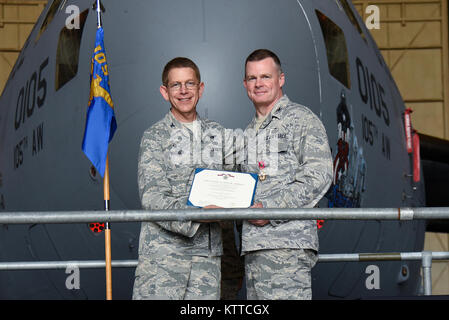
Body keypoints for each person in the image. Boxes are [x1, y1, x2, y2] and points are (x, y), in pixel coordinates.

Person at [132, 57, 230, 300]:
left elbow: (235, 184)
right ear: (165, 92)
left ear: (201, 88)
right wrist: (198, 214)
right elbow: (152, 197)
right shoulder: (154, 137)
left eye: (190, 83)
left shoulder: (219, 135)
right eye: (176, 85)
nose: (184, 91)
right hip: (163, 261)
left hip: (206, 264)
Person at [240, 49, 333, 300]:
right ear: (245, 84)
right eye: (252, 78)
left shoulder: (301, 120)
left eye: (265, 77)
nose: (258, 84)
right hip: (254, 249)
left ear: (281, 79)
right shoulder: (248, 133)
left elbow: (320, 174)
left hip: (287, 248)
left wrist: (269, 209)